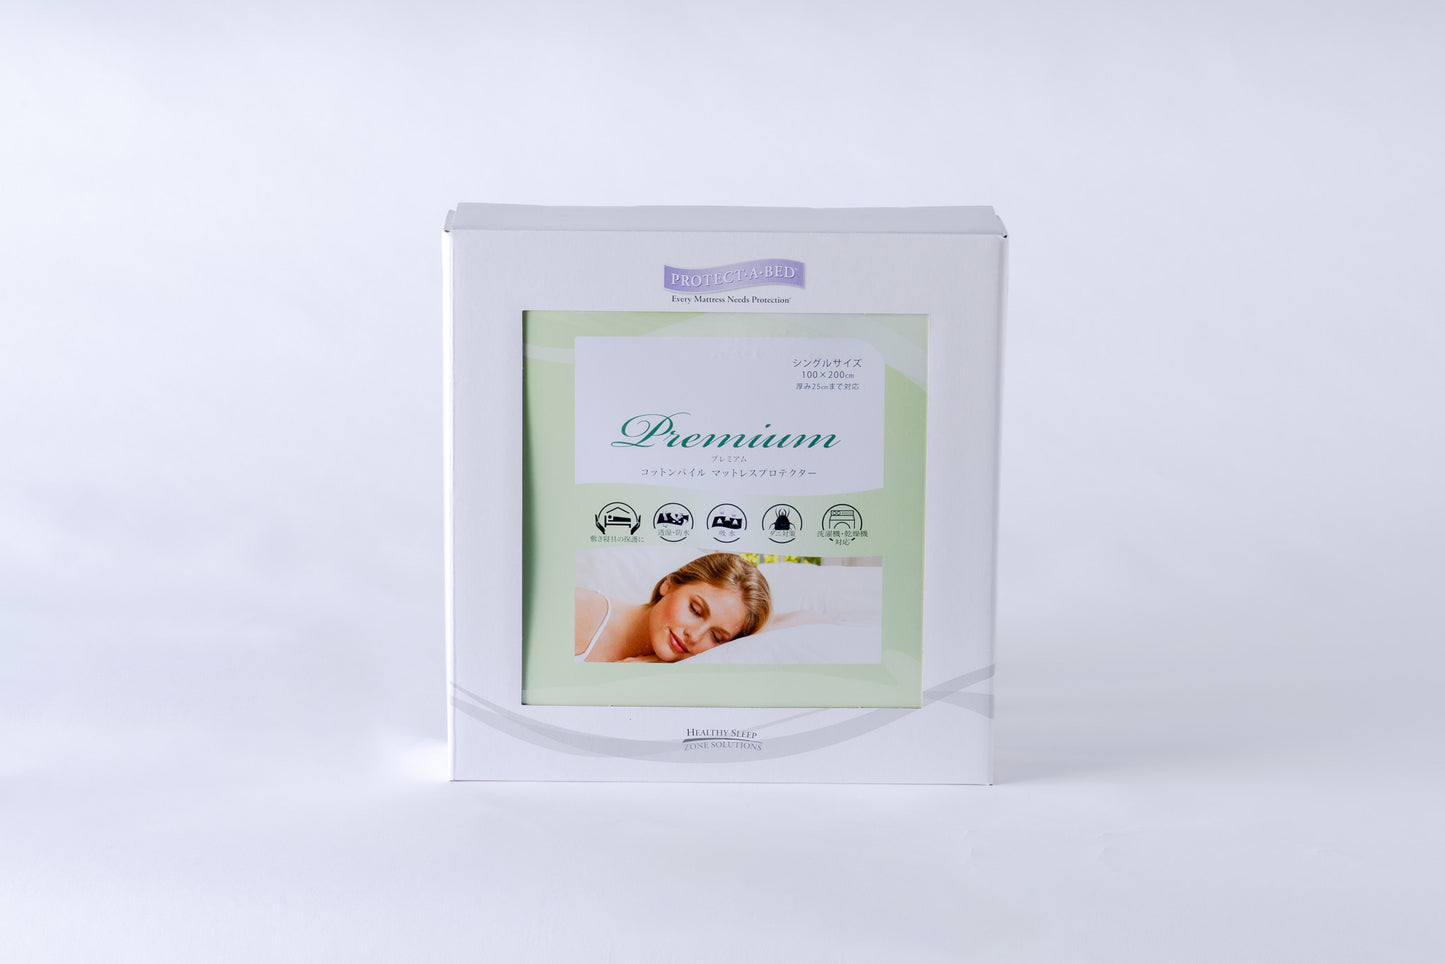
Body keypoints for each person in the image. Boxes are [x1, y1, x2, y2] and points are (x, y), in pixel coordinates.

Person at [575, 553, 772, 662]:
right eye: (695, 610)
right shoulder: (580, 610)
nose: (694, 636)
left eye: (716, 637)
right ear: (668, 585)